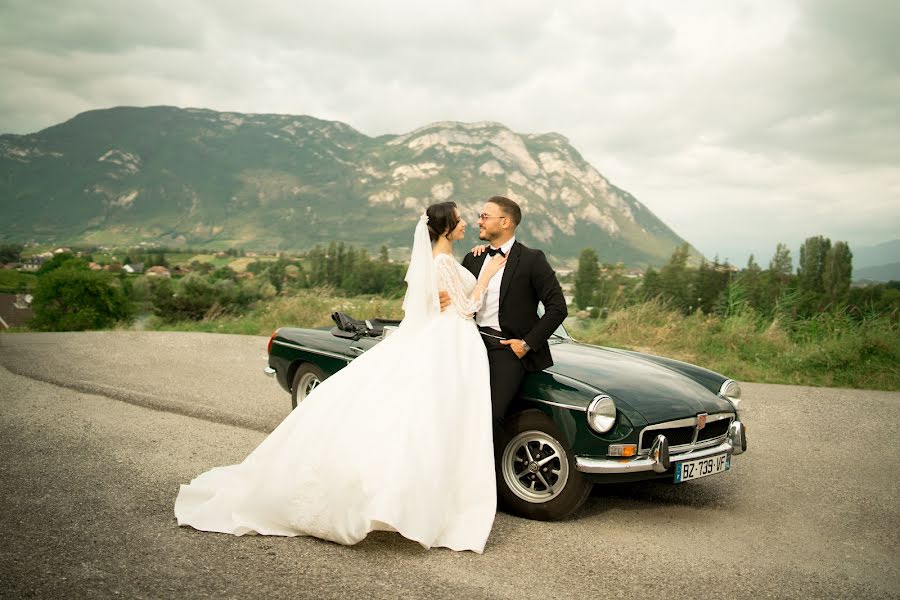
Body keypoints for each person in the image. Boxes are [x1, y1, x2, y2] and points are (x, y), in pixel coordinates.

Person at [174, 202, 508, 553]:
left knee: (432, 422)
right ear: (446, 227)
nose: (467, 222)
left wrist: (477, 265)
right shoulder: (441, 264)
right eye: (460, 218)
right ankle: (419, 504)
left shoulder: (446, 262)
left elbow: (448, 300)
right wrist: (485, 276)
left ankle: (426, 498)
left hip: (452, 343)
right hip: (450, 344)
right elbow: (468, 307)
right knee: (428, 422)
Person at [458, 196, 568, 433]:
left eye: (485, 217)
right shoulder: (473, 258)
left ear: (505, 222)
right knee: (461, 412)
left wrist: (527, 344)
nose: (479, 221)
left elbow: (558, 307)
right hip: (470, 345)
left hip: (507, 350)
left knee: (491, 417)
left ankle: (492, 471)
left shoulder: (532, 260)